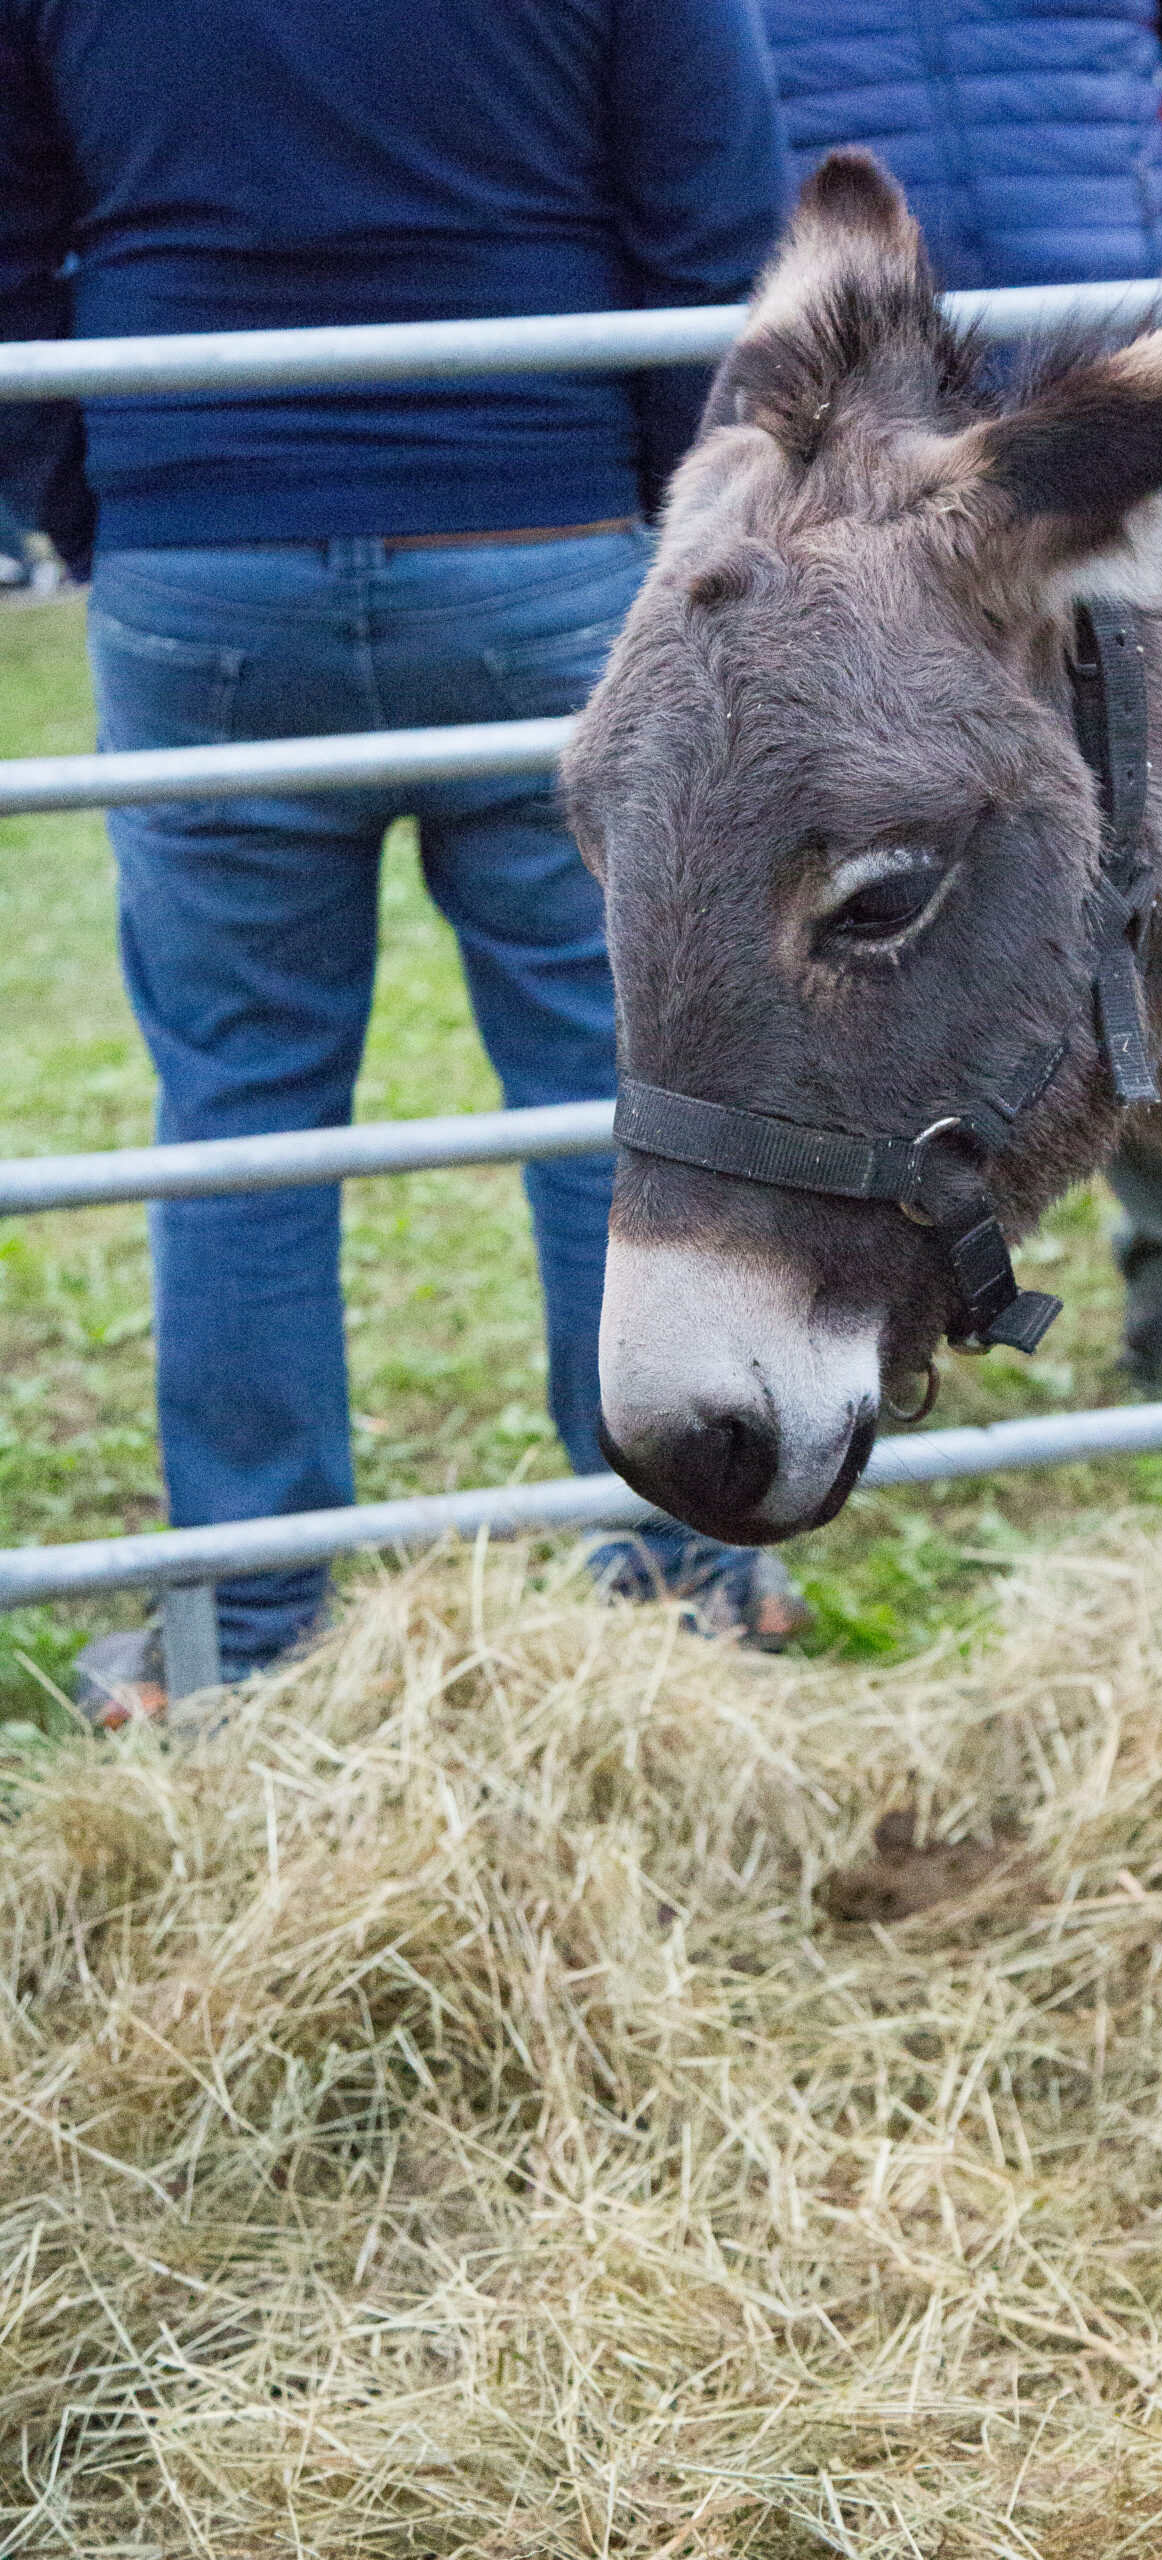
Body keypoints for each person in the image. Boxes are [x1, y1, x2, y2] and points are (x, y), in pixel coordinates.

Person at [0, 0, 801, 1715]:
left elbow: (8, 230)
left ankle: (252, 1630)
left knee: (240, 1108)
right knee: (607, 1088)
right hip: (541, 536)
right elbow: (719, 235)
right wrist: (645, 517)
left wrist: (103, 493)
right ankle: (680, 1581)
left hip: (201, 536)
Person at [763, 0, 1162, 1396]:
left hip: (1092, 449)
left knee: (1144, 834)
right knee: (848, 893)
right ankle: (836, 1287)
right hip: (840, 465)